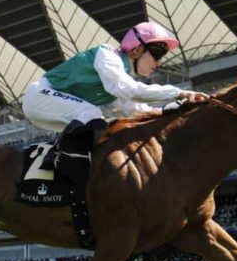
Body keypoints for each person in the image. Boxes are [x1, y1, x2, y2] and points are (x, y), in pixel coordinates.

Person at [22, 20, 206, 180]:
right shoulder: (107, 56)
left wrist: (179, 109)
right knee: (92, 115)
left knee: (102, 120)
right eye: (157, 54)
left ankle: (56, 165)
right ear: (137, 49)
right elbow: (129, 90)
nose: (158, 63)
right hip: (39, 96)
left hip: (52, 107)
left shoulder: (119, 73)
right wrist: (178, 93)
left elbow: (139, 111)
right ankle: (61, 166)